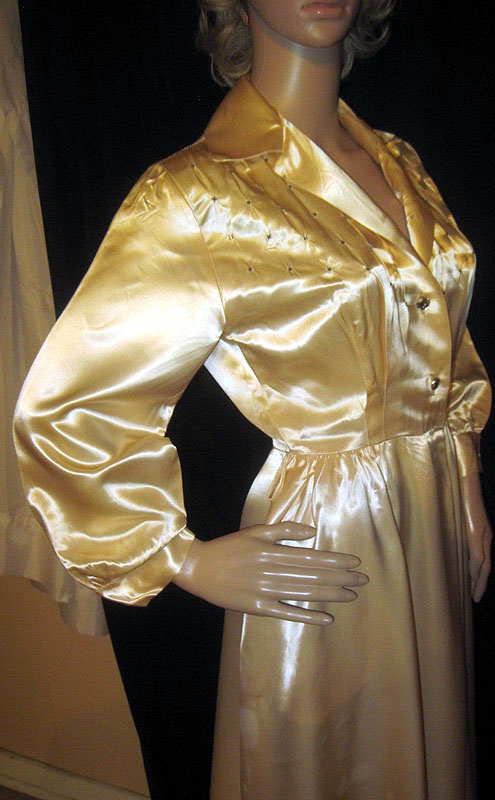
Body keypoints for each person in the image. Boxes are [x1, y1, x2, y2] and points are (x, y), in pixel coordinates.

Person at [13, 1, 492, 798]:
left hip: (435, 521)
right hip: (327, 539)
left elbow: (441, 334)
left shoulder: (398, 161)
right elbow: (67, 406)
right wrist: (180, 557)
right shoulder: (199, 193)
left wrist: (464, 470)